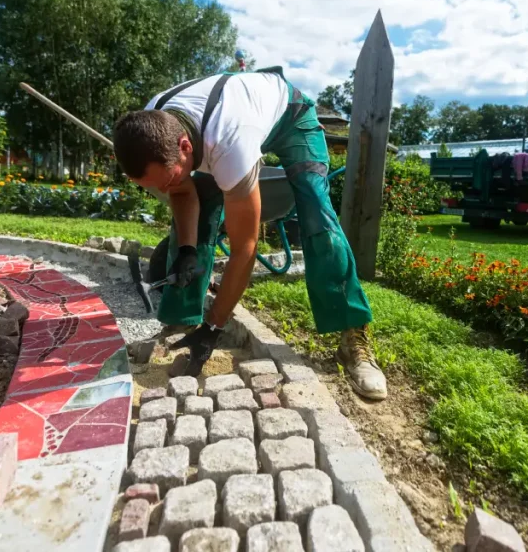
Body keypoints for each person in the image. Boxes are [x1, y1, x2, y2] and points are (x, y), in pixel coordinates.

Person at [112, 67, 387, 400]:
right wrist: (185, 250)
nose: (164, 191)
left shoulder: (232, 140)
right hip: (218, 132)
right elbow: (182, 192)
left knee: (317, 214)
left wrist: (214, 328)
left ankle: (352, 337)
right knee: (192, 225)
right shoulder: (155, 121)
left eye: (166, 181)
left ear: (185, 146)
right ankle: (182, 320)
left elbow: (245, 248)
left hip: (290, 116)